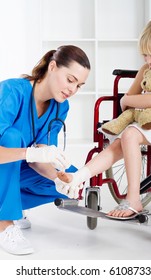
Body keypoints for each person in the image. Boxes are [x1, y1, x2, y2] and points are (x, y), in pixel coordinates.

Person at [55, 19, 151, 219]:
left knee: (128, 136)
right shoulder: (146, 70)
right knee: (118, 143)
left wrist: (147, 100)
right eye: (145, 54)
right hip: (145, 121)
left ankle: (133, 198)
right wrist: (147, 101)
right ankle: (78, 177)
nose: (149, 60)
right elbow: (125, 102)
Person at [0, 45, 90, 255]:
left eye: (79, 85)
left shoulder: (60, 107)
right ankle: (4, 222)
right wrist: (29, 153)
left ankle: (9, 205)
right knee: (13, 137)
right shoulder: (11, 92)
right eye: (70, 80)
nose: (72, 90)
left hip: (12, 174)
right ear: (52, 67)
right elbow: (28, 154)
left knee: (71, 179)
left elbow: (40, 157)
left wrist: (60, 178)